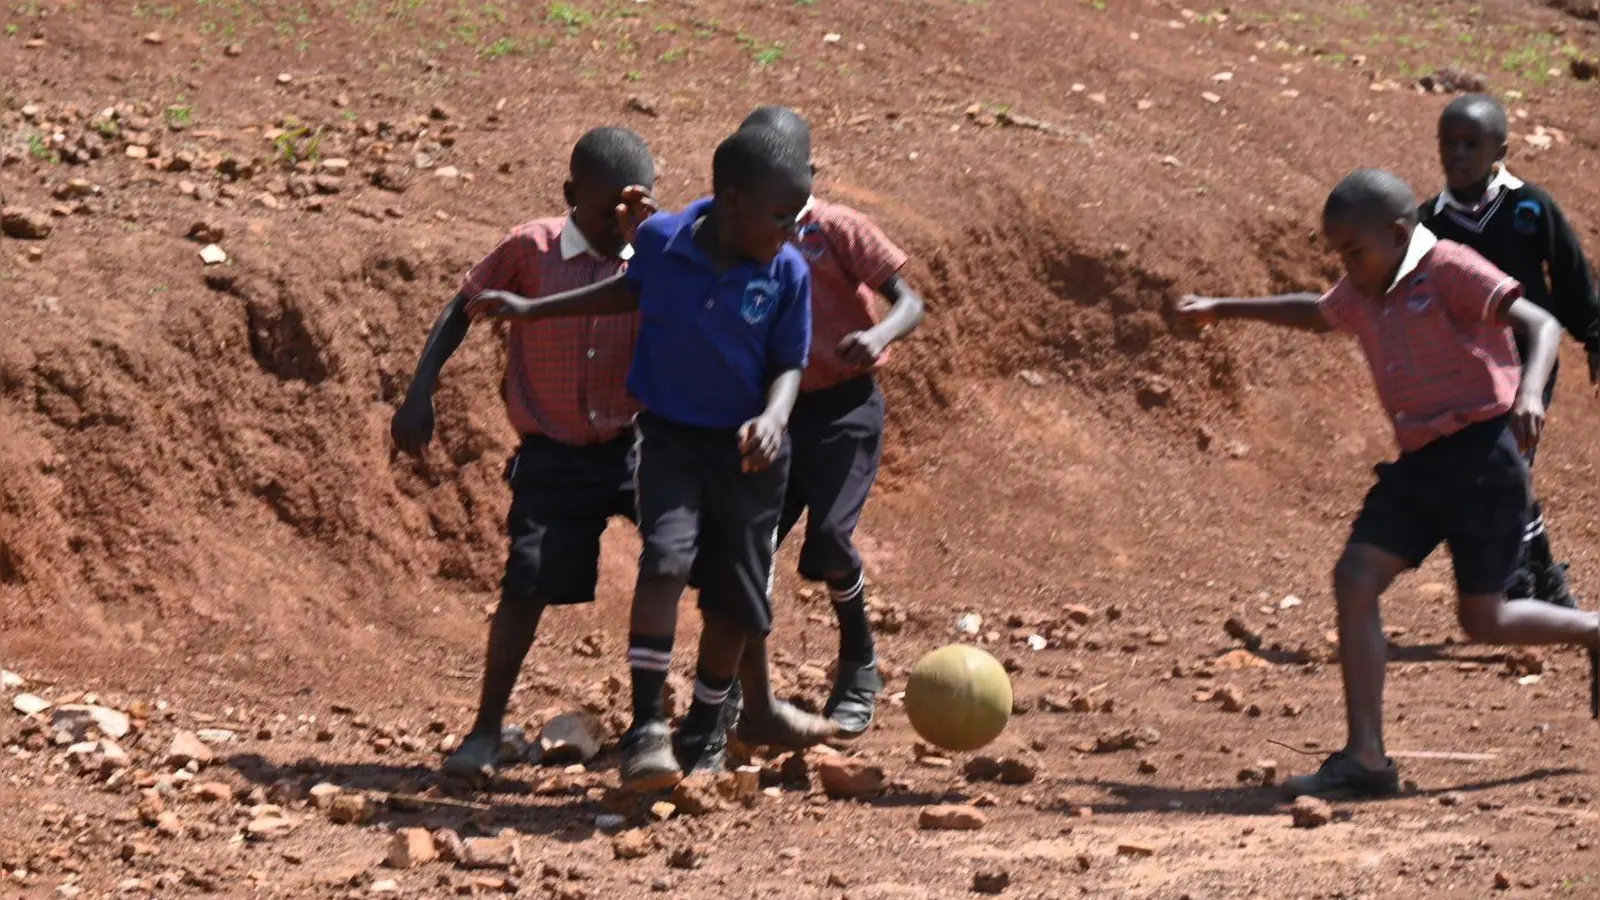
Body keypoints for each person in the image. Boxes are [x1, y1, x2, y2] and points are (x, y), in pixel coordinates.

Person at [1177, 169, 1600, 799]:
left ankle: (1594, 628)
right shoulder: (1364, 288)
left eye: (1354, 251)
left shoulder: (1450, 268)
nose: (1345, 266)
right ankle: (1366, 760)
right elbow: (1317, 313)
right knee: (1355, 575)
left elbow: (1538, 323)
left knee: (1483, 621)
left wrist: (1531, 393)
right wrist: (1222, 307)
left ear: (1401, 234)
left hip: (1484, 455)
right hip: (1423, 462)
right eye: (1339, 254)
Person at [466, 126, 840, 792]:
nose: (793, 228)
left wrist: (776, 418)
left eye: (800, 215)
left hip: (751, 455)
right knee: (664, 561)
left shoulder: (785, 269)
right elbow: (631, 291)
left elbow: (789, 362)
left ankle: (706, 726)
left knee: (735, 599)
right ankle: (647, 728)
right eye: (783, 215)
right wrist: (536, 309)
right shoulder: (666, 242)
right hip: (670, 440)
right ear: (732, 201)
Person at [390, 126, 658, 788]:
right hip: (554, 450)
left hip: (637, 443)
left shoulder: (654, 254)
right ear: (571, 196)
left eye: (633, 212)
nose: (619, 228)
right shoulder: (530, 249)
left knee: (684, 555)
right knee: (526, 581)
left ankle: (668, 723)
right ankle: (485, 729)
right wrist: (420, 390)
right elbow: (463, 306)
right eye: (605, 214)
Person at [706, 106, 926, 738]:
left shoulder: (837, 228)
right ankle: (727, 696)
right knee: (747, 553)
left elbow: (910, 300)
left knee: (830, 539)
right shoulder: (732, 232)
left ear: (808, 173)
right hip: (770, 412)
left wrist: (878, 332)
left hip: (841, 408)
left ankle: (859, 662)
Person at [1420, 92, 1600, 609]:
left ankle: (1521, 581)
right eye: (1448, 142)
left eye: (1471, 143)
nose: (1457, 153)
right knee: (1503, 469)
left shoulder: (1530, 207)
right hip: (1469, 368)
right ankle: (1542, 578)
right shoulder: (1428, 222)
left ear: (1500, 147)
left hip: (1529, 360)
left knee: (1510, 464)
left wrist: (1592, 334)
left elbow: (1569, 276)